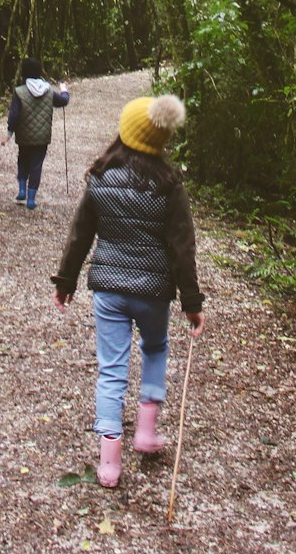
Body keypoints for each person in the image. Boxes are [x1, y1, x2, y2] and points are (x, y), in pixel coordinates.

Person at [50, 92, 205, 488]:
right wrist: (191, 302)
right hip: (154, 291)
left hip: (108, 291)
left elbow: (80, 234)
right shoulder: (170, 186)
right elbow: (182, 248)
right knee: (154, 349)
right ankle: (147, 432)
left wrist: (66, 281)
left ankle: (109, 463)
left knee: (111, 370)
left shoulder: (101, 178)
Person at [5, 56, 69, 210]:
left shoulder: (20, 92)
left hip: (24, 137)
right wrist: (64, 90)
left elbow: (14, 116)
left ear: (24, 73)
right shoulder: (48, 91)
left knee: (23, 160)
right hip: (42, 138)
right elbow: (63, 101)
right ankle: (31, 199)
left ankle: (21, 190)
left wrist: (9, 133)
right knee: (36, 166)